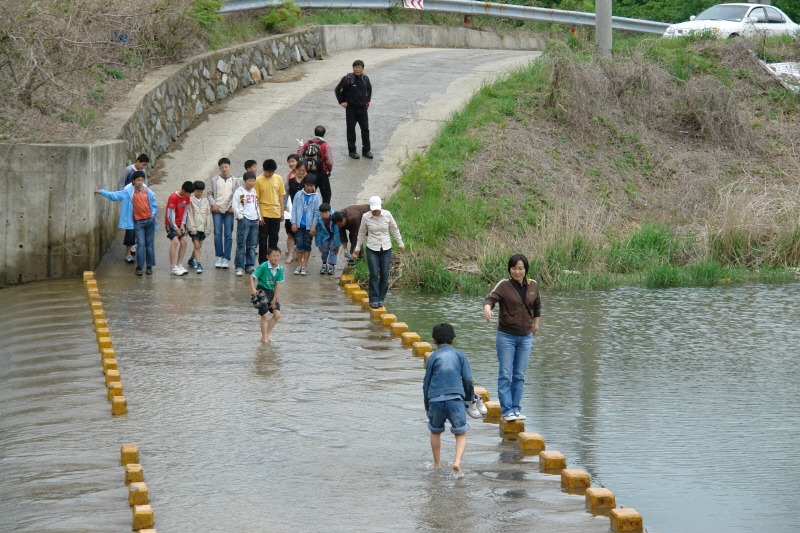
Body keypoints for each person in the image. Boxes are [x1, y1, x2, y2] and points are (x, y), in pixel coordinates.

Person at [482, 254, 542, 422]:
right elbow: (490, 299)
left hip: (525, 337)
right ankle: (506, 409)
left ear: (526, 270)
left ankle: (516, 408)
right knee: (505, 373)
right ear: (509, 269)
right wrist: (487, 309)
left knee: (519, 375)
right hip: (506, 336)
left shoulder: (533, 285)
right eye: (514, 268)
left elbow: (537, 307)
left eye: (520, 268)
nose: (517, 272)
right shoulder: (504, 285)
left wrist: (535, 325)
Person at [423, 323, 475, 474]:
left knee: (435, 431)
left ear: (434, 340)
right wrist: (469, 398)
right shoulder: (460, 355)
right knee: (460, 433)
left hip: (435, 399)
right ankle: (457, 462)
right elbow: (467, 378)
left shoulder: (433, 357)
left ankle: (437, 463)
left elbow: (426, 383)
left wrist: (427, 405)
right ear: (454, 338)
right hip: (455, 399)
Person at [94, 171, 157, 276]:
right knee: (140, 244)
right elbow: (114, 195)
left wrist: (153, 215)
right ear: (133, 181)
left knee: (149, 245)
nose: (140, 182)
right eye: (138, 180)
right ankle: (139, 267)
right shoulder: (128, 192)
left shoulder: (148, 192)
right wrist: (101, 192)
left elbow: (154, 205)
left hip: (149, 221)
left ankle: (149, 266)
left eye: (142, 180)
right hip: (138, 222)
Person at [353, 196, 404, 308]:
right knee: (374, 274)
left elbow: (394, 229)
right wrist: (357, 248)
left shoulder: (387, 215)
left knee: (385, 275)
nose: (376, 211)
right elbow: (361, 234)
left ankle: (381, 298)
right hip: (372, 248)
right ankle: (374, 299)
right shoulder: (366, 217)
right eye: (374, 209)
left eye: (377, 209)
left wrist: (400, 243)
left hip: (386, 248)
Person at [335, 60, 373, 160]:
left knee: (365, 130)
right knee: (351, 130)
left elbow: (369, 88)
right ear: (353, 68)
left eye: (359, 67)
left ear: (362, 69)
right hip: (351, 108)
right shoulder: (347, 78)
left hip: (362, 108)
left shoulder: (365, 78)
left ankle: (366, 150)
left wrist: (367, 100)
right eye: (355, 67)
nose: (357, 69)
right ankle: (352, 151)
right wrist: (342, 102)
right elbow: (337, 89)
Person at [208, 157, 240, 269]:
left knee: (228, 235)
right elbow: (209, 194)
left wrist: (232, 207)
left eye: (226, 167)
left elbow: (238, 196)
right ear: (219, 168)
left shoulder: (235, 181)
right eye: (222, 167)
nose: (224, 169)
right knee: (217, 234)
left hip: (229, 211)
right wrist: (213, 204)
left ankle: (226, 258)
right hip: (217, 210)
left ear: (230, 167)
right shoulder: (214, 180)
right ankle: (218, 256)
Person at [117, 153, 150, 262]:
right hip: (129, 203)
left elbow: (146, 187)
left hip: (139, 205)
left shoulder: (143, 172)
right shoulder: (128, 170)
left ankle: (133, 245)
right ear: (138, 161)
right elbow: (121, 184)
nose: (144, 167)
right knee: (130, 229)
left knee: (138, 227)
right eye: (143, 164)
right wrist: (124, 197)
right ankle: (128, 252)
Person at [250, 246, 283, 342]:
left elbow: (277, 285)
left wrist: (274, 299)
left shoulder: (280, 269)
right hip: (261, 291)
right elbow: (252, 277)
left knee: (277, 314)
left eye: (278, 256)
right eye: (274, 256)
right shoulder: (264, 266)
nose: (276, 258)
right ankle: (264, 337)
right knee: (264, 315)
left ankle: (266, 335)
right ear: (268, 257)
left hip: (271, 293)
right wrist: (253, 289)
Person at [255, 159, 285, 264]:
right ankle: (262, 261)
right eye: (268, 172)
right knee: (262, 238)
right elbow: (257, 199)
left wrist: (282, 212)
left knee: (274, 237)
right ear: (263, 169)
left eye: (272, 171)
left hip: (275, 213)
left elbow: (281, 195)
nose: (270, 174)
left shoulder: (278, 178)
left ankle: (272, 260)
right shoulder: (258, 180)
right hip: (264, 213)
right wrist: (260, 215)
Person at [291, 173, 321, 276]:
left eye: (311, 185)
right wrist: (294, 223)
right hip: (299, 226)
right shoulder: (298, 194)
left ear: (314, 185)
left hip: (309, 227)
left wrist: (313, 226)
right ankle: (299, 265)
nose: (309, 187)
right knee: (299, 245)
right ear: (304, 184)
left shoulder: (316, 197)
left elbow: (317, 213)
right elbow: (294, 209)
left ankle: (305, 266)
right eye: (307, 185)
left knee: (307, 245)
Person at [232, 171, 262, 276]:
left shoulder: (254, 191)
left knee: (252, 245)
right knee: (241, 244)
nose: (252, 183)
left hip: (254, 220)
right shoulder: (239, 191)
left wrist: (259, 216)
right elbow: (235, 205)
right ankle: (239, 266)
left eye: (253, 181)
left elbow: (257, 205)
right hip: (244, 220)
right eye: (250, 181)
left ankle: (250, 265)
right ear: (244, 181)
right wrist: (240, 216)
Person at [297, 125, 334, 203]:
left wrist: (301, 146)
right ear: (324, 134)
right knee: (326, 194)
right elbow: (329, 161)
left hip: (308, 172)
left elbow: (299, 155)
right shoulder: (325, 145)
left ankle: (306, 207)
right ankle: (325, 211)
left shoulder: (307, 144)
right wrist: (329, 170)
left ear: (314, 133)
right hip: (321, 172)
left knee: (308, 192)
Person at [165, 181, 194, 276]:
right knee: (175, 241)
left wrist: (182, 224)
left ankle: (179, 264)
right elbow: (170, 214)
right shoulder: (173, 197)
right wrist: (175, 227)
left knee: (184, 241)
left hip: (180, 223)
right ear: (183, 190)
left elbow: (185, 210)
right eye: (188, 193)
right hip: (171, 223)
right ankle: (172, 266)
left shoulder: (187, 197)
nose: (189, 195)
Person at [186, 180, 212, 274]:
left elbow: (208, 215)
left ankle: (191, 259)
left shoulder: (205, 201)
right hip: (194, 228)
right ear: (194, 191)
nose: (199, 193)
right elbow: (189, 215)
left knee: (199, 246)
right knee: (196, 245)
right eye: (197, 191)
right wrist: (191, 228)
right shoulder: (190, 201)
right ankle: (199, 264)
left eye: (201, 192)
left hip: (203, 228)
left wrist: (208, 227)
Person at [315, 203, 341, 275]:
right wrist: (319, 244)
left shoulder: (334, 217)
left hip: (334, 235)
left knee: (333, 248)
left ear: (329, 212)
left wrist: (337, 245)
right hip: (325, 235)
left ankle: (332, 265)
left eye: (326, 213)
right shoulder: (319, 219)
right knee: (324, 248)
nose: (324, 215)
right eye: (322, 213)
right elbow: (318, 232)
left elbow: (337, 232)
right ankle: (324, 263)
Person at [283, 154, 300, 264]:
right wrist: (284, 207)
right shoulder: (289, 177)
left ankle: (299, 250)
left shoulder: (305, 176)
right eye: (289, 162)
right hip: (290, 207)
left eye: (293, 161)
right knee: (290, 231)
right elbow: (285, 194)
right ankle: (291, 252)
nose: (291, 164)